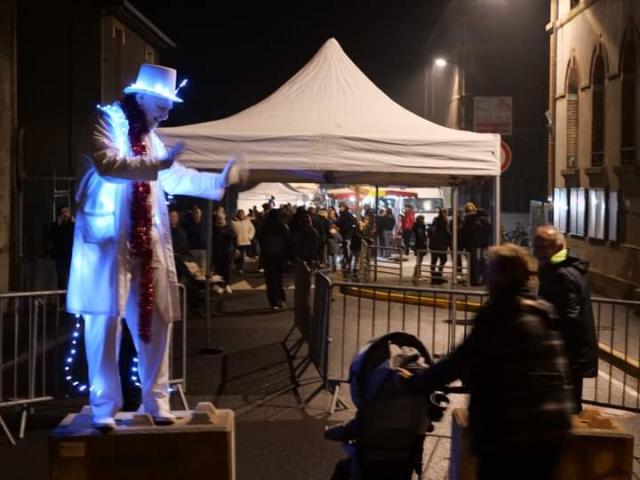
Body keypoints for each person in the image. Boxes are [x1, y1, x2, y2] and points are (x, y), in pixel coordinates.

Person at [66, 64, 246, 431]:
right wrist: (160, 163)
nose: (168, 110)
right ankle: (103, 408)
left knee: (156, 323)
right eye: (163, 102)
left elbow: (172, 174)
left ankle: (157, 400)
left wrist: (217, 181)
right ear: (141, 95)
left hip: (146, 246)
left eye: (171, 103)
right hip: (108, 247)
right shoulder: (106, 121)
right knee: (104, 327)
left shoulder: (151, 138)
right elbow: (108, 163)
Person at [403, 244, 573, 480]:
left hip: (511, 431)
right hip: (553, 428)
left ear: (502, 276)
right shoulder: (543, 310)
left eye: (490, 272)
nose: (485, 278)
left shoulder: (500, 313)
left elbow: (458, 361)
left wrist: (416, 382)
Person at [534, 225, 598, 413]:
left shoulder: (561, 274)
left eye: (542, 246)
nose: (536, 251)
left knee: (564, 409)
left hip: (567, 355)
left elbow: (570, 318)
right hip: (569, 354)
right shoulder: (562, 269)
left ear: (557, 247)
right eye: (536, 245)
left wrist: (553, 348)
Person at [258, 208, 290, 309]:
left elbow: (260, 240)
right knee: (278, 279)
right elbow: (288, 241)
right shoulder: (281, 227)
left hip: (267, 256)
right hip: (279, 257)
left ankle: (273, 302)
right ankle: (281, 299)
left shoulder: (264, 227)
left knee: (269, 280)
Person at [48, 204, 75, 290]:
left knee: (72, 278)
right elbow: (51, 238)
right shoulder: (56, 225)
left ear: (69, 213)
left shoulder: (73, 224)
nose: (65, 215)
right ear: (59, 214)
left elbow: (79, 236)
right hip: (60, 256)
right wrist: (58, 225)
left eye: (66, 212)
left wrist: (75, 224)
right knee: (61, 279)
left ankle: (71, 300)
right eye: (62, 213)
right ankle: (61, 300)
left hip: (72, 255)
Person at [212, 213, 236, 294]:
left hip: (227, 251)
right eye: (218, 219)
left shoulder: (228, 227)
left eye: (221, 218)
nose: (220, 220)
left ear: (224, 219)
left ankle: (226, 284)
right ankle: (219, 285)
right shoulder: (214, 228)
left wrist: (226, 234)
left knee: (226, 269)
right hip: (217, 252)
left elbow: (234, 236)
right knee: (218, 270)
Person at [428, 208, 451, 284]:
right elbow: (445, 234)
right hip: (439, 245)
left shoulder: (438, 221)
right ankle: (436, 277)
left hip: (437, 245)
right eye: (445, 213)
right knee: (439, 260)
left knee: (438, 260)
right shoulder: (442, 221)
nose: (446, 214)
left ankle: (436, 276)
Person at [183, 203, 207, 273]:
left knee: (203, 269)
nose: (197, 214)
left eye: (198, 212)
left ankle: (202, 283)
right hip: (192, 250)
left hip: (203, 250)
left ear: (201, 214)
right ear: (192, 214)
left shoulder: (204, 223)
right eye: (195, 212)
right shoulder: (188, 224)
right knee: (194, 270)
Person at [231, 209, 255, 275]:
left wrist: (250, 236)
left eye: (242, 213)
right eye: (240, 213)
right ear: (237, 214)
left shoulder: (247, 221)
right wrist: (234, 236)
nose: (241, 215)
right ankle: (238, 267)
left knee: (242, 255)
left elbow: (252, 229)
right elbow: (231, 230)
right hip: (237, 241)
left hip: (245, 241)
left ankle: (241, 269)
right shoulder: (233, 222)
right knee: (237, 255)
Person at [412, 215, 428, 280]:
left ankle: (417, 274)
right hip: (420, 245)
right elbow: (421, 235)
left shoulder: (416, 225)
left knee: (419, 261)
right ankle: (417, 275)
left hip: (418, 244)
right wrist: (424, 242)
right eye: (423, 219)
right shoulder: (420, 226)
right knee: (419, 261)